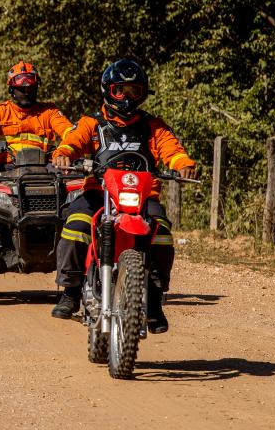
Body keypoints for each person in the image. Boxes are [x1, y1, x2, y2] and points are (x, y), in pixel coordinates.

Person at [50, 59, 197, 333]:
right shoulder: (92, 123)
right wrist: (63, 154)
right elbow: (72, 141)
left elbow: (172, 149)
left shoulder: (154, 126)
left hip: (142, 196)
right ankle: (70, 292)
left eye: (134, 91)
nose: (127, 98)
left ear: (143, 94)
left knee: (162, 233)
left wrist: (183, 164)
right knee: (75, 226)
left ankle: (153, 300)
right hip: (100, 192)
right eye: (121, 91)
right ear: (108, 90)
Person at [0, 61, 74, 154]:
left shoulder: (50, 112)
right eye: (21, 89)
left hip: (45, 167)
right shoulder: (0, 110)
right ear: (11, 90)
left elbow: (69, 132)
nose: (26, 92)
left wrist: (65, 151)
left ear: (37, 88)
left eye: (31, 88)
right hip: (6, 167)